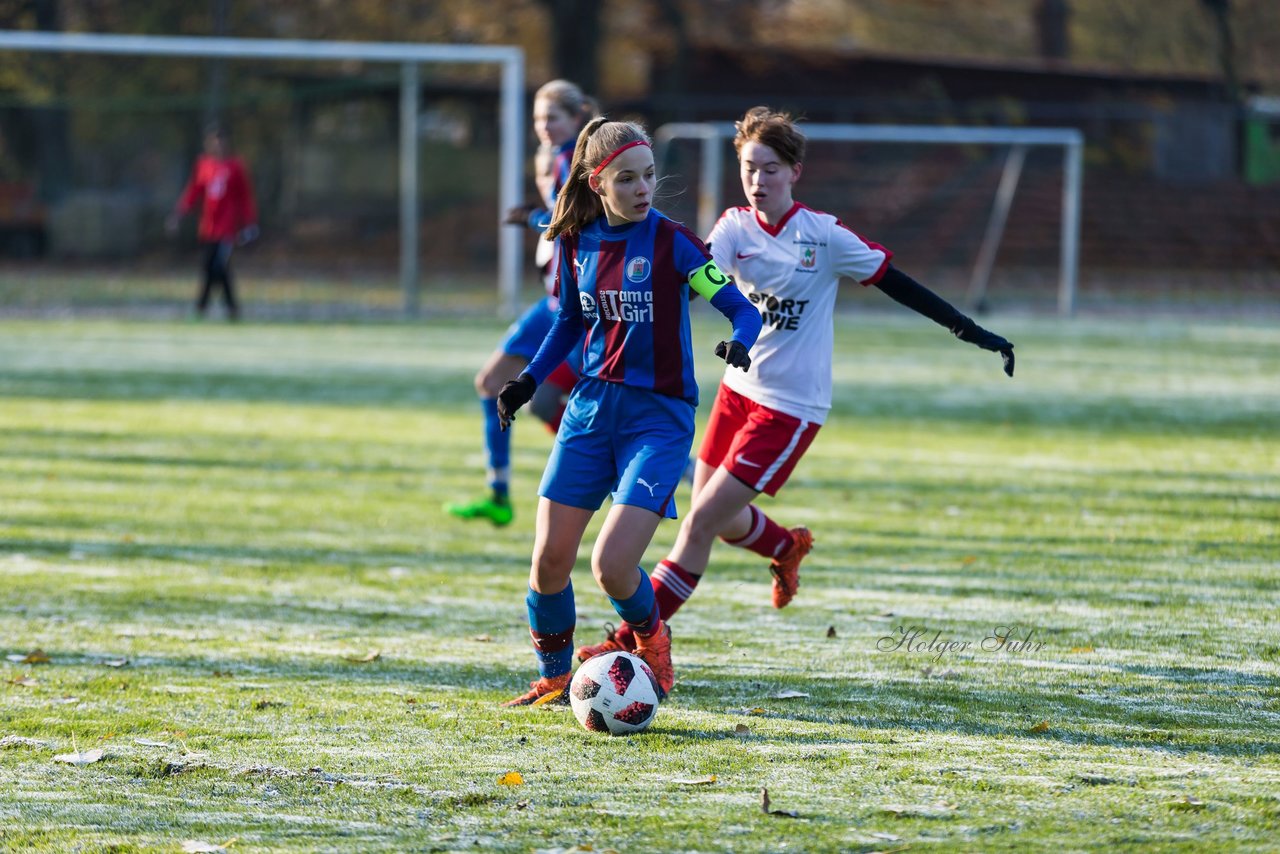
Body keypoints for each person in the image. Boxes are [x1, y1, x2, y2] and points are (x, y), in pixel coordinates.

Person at [575, 106, 1015, 661]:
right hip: (738, 392)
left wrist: (971, 330)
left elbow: (897, 284)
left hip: (790, 407)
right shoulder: (734, 228)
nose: (758, 181)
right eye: (749, 169)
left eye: (771, 170)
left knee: (700, 523)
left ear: (795, 172)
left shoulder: (823, 236)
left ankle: (627, 645)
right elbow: (692, 283)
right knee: (721, 516)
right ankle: (785, 545)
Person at [495, 117, 763, 706]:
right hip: (590, 412)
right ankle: (555, 675)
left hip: (657, 419)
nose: (643, 189)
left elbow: (742, 309)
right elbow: (569, 322)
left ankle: (652, 641)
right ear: (597, 184)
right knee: (548, 562)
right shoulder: (573, 240)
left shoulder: (672, 241)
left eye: (648, 176)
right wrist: (527, 381)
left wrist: (741, 340)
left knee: (613, 565)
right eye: (627, 180)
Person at [445, 80, 597, 527]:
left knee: (549, 399)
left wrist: (535, 217)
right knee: (499, 385)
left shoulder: (577, 160)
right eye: (537, 119)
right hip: (554, 303)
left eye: (553, 117)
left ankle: (605, 470)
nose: (544, 126)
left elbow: (574, 221)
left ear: (576, 118)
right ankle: (498, 493)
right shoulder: (558, 158)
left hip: (573, 310)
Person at [166, 125, 258, 321]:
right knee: (209, 267)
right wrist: (178, 214)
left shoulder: (236, 166)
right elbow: (193, 192)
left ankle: (207, 307)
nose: (219, 146)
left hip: (228, 228)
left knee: (219, 266)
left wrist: (250, 224)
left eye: (222, 141)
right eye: (215, 141)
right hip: (208, 228)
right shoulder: (204, 165)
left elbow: (245, 197)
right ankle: (223, 309)